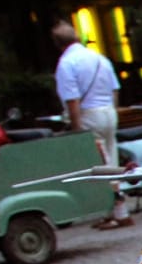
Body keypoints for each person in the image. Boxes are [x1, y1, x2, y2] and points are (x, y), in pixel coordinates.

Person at [53, 21, 130, 229]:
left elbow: (72, 100)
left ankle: (119, 212)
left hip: (88, 116)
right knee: (111, 160)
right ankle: (113, 211)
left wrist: (77, 128)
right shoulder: (100, 58)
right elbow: (115, 89)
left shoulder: (66, 64)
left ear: (58, 44)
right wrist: (112, 111)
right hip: (108, 113)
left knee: (101, 166)